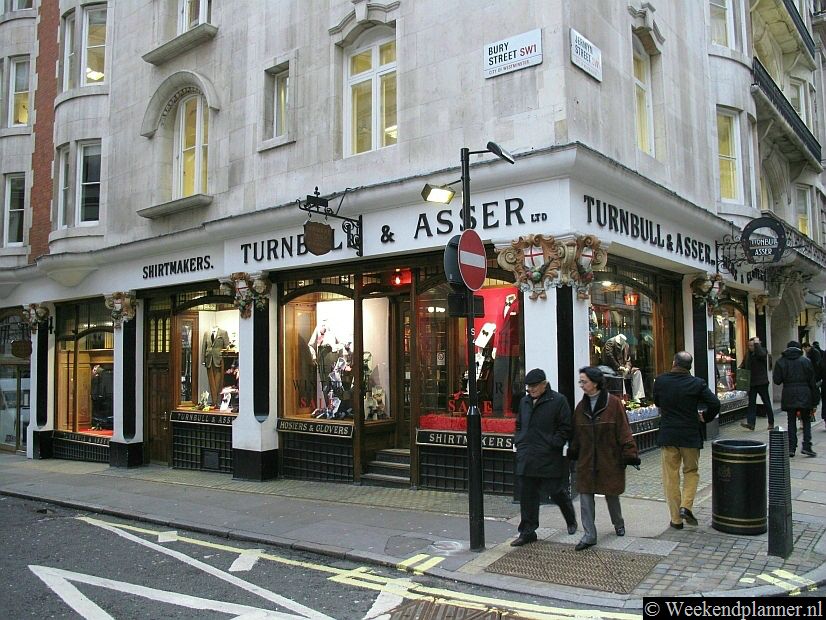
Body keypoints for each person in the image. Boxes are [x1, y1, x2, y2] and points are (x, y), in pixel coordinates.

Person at [569, 366, 640, 551]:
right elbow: (576, 434)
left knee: (611, 495)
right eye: (581, 381)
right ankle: (589, 535)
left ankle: (618, 523)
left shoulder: (614, 404)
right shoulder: (581, 407)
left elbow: (624, 431)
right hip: (586, 460)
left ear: (595, 383)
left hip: (609, 459)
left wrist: (630, 453)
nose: (581, 385)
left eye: (584, 381)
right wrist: (573, 451)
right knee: (585, 496)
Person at [511, 368, 578, 547]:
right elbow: (519, 424)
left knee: (556, 491)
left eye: (534, 386)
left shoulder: (558, 401)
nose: (530, 390)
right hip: (527, 456)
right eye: (528, 387)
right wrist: (519, 441)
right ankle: (527, 532)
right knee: (527, 496)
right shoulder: (524, 402)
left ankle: (570, 519)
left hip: (549, 456)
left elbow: (565, 427)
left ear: (544, 384)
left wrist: (554, 443)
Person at [654, 352, 720, 529]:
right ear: (689, 366)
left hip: (668, 435)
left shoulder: (660, 381)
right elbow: (715, 404)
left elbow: (657, 402)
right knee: (691, 471)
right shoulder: (697, 384)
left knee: (671, 477)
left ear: (674, 362)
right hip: (690, 435)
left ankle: (676, 520)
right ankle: (686, 506)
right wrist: (705, 417)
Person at [773, 341, 818, 457]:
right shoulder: (806, 361)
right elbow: (812, 381)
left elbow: (777, 380)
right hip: (805, 392)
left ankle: (791, 448)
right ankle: (807, 446)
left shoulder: (781, 361)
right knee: (806, 420)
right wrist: (815, 399)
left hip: (789, 393)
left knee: (791, 420)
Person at [740, 336, 774, 431]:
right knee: (751, 403)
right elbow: (744, 364)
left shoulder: (762, 351)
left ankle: (771, 422)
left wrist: (757, 344)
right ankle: (751, 423)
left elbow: (761, 355)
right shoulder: (748, 354)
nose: (750, 347)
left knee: (766, 401)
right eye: (749, 345)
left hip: (761, 382)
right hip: (751, 382)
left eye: (752, 345)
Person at [602, 334, 646, 401]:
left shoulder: (626, 345)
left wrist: (627, 368)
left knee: (637, 373)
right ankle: (623, 397)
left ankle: (638, 396)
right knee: (620, 375)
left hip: (624, 368)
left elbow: (628, 359)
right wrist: (619, 367)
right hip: (613, 369)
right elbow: (609, 357)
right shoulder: (610, 342)